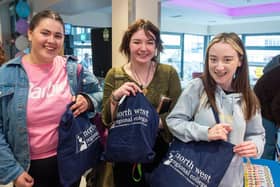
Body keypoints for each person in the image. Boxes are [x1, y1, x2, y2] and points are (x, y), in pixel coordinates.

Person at [0, 10, 102, 187]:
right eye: (45, 33)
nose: (52, 41)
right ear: (30, 33)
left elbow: (100, 94)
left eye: (58, 35)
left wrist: (88, 100)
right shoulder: (7, 75)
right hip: (28, 167)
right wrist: (12, 170)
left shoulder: (73, 69)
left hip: (70, 160)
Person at [166, 32, 265, 187]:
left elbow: (257, 133)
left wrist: (254, 146)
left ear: (240, 61)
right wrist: (206, 132)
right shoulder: (197, 87)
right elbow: (174, 122)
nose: (219, 67)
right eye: (213, 59)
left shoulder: (248, 96)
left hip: (232, 180)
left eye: (227, 60)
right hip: (196, 176)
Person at [101, 19, 181, 187]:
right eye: (137, 42)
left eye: (150, 42)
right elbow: (106, 119)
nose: (143, 48)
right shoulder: (115, 75)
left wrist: (145, 123)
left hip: (160, 152)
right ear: (127, 45)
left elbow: (178, 116)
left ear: (156, 46)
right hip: (125, 154)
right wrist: (116, 96)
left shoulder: (168, 74)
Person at [254, 56, 280, 160]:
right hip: (262, 107)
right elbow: (276, 106)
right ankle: (265, 169)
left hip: (265, 103)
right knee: (268, 144)